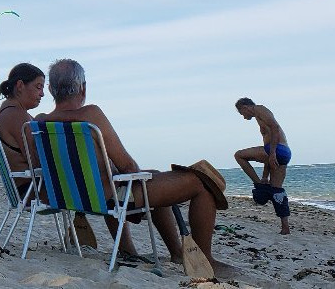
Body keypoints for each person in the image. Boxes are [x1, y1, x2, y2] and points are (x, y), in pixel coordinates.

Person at [36, 59, 234, 273]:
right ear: (83, 87)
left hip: (75, 198)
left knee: (157, 176)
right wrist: (134, 173)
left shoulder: (40, 122)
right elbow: (128, 166)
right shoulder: (90, 115)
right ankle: (206, 260)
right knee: (199, 183)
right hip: (110, 199)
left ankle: (173, 252)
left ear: (50, 89)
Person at [234, 98, 291, 234]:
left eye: (242, 113)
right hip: (283, 152)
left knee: (239, 155)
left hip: (276, 150)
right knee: (277, 191)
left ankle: (259, 184)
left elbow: (275, 128)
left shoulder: (259, 109)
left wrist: (272, 154)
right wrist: (265, 175)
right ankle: (285, 227)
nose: (243, 117)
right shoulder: (259, 118)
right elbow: (268, 148)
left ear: (246, 107)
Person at [0, 62, 45, 188]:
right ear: (20, 85)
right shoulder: (17, 116)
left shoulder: (8, 111)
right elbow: (37, 161)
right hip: (33, 190)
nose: (42, 94)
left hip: (28, 187)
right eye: (38, 87)